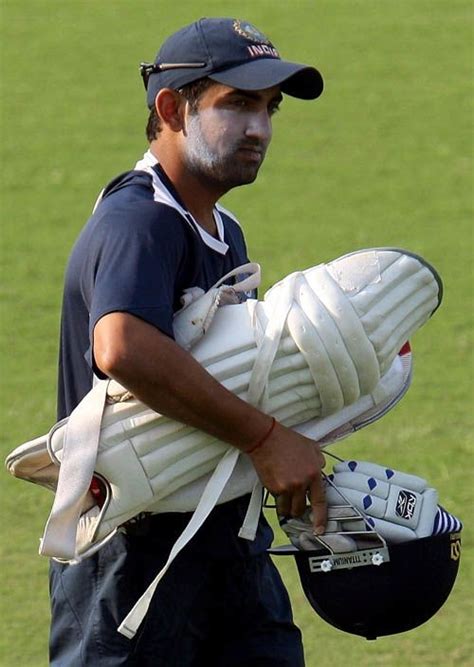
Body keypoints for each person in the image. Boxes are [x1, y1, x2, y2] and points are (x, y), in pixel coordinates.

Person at [50, 17, 327, 666]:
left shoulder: (223, 229)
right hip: (134, 556)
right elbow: (122, 345)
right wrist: (264, 437)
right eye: (237, 104)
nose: (260, 128)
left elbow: (228, 377)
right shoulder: (139, 219)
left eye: (269, 108)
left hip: (224, 539)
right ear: (171, 108)